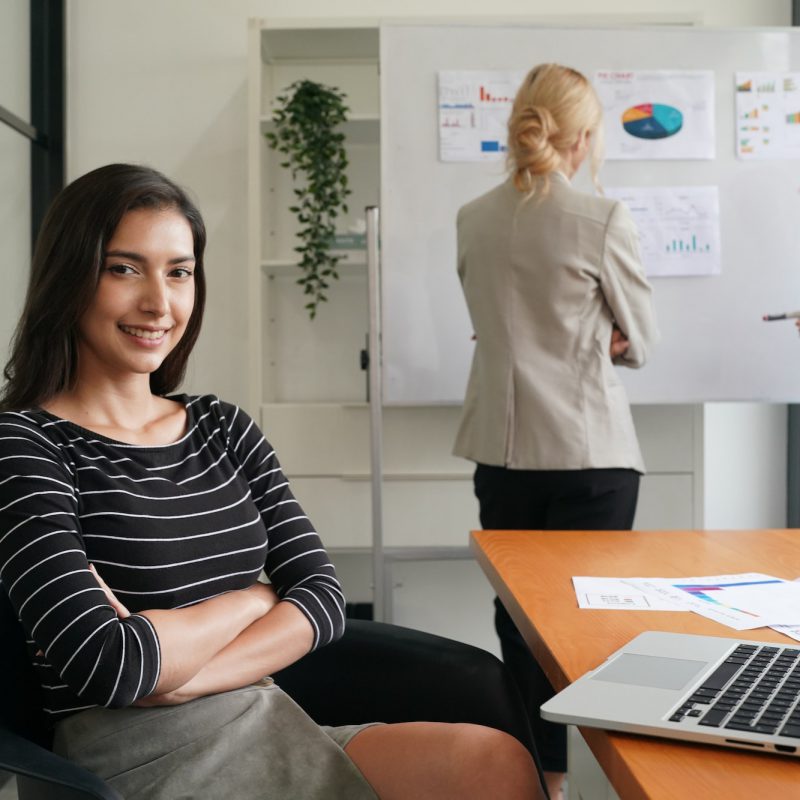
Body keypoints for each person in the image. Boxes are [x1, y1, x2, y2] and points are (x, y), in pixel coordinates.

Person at [0, 164, 545, 799]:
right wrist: (255, 600)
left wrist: (186, 673)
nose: (159, 302)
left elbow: (320, 597)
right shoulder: (26, 446)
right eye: (124, 268)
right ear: (70, 277)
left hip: (265, 716)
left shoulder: (221, 427)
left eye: (179, 272)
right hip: (135, 764)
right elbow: (110, 665)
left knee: (493, 762)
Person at [453, 64, 660, 799]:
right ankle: (628, 779)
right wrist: (602, 338)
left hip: (503, 453)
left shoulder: (472, 215)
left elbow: (490, 330)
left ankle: (544, 782)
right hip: (588, 454)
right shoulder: (602, 219)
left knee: (520, 629)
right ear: (584, 136)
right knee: (591, 631)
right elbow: (641, 339)